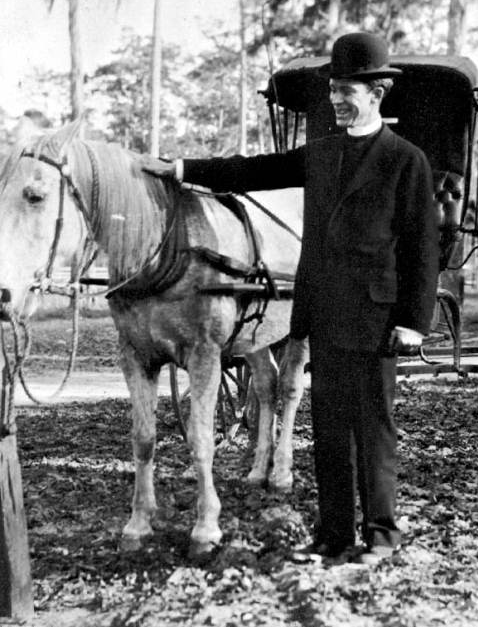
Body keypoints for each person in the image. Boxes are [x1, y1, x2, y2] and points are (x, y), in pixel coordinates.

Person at [145, 32, 439, 565]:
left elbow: (422, 247)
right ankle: (333, 536)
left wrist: (413, 322)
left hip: (375, 318)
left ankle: (381, 535)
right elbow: (252, 170)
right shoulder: (321, 154)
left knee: (373, 428)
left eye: (347, 90)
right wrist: (185, 168)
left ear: (377, 93)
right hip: (323, 313)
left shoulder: (405, 160)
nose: (336, 100)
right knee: (328, 430)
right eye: (332, 91)